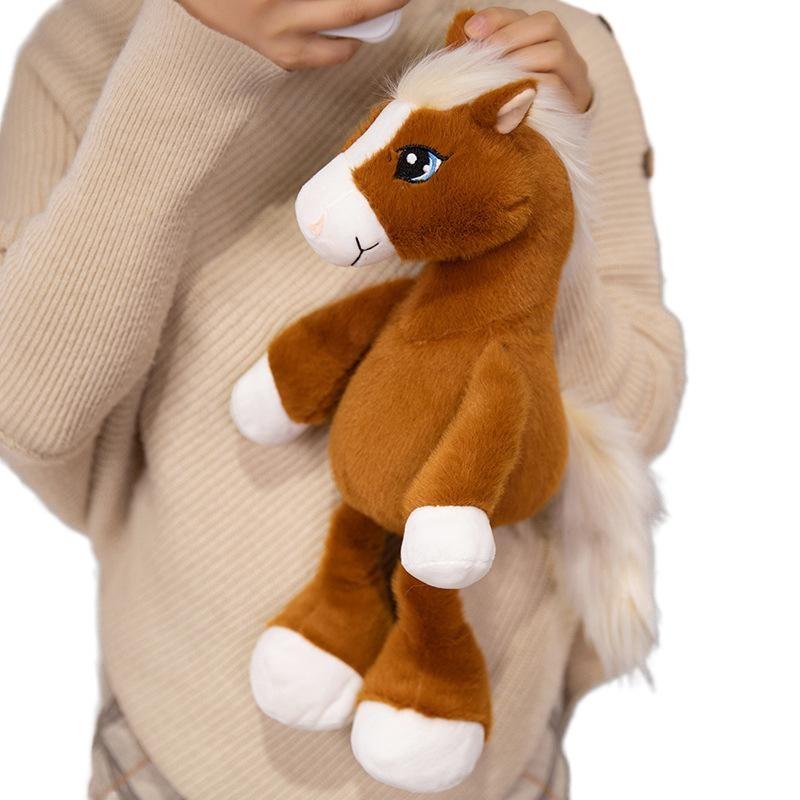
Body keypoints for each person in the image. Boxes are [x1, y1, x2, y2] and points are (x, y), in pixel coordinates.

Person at [0, 0, 685, 798]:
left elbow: (636, 422)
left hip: (499, 761)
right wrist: (190, 53)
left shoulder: (541, 54)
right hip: (172, 755)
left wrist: (547, 192)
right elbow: (30, 415)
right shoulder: (88, 45)